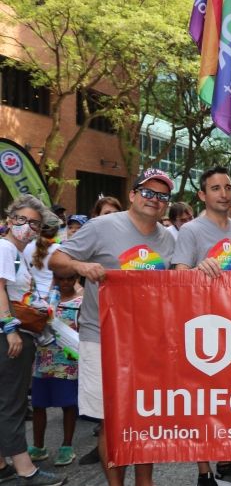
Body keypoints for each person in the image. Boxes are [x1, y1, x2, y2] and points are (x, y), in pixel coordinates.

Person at [50, 168, 177, 486]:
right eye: (148, 192)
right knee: (112, 420)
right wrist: (81, 265)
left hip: (149, 341)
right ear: (132, 195)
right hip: (102, 336)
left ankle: (144, 482)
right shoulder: (101, 226)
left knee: (145, 418)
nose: (154, 200)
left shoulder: (169, 238)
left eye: (162, 196)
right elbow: (57, 260)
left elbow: (180, 282)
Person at [170, 166, 231, 486]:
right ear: (202, 195)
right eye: (215, 188)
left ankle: (227, 464)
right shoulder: (191, 231)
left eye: (227, 187)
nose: (223, 193)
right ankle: (203, 472)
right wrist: (195, 269)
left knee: (227, 400)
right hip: (200, 328)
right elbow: (179, 276)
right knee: (201, 402)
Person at [0, 195, 67, 486]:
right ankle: (26, 470)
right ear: (9, 219)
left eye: (35, 224)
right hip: (11, 337)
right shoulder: (4, 247)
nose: (27, 227)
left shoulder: (14, 252)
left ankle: (2, 466)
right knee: (11, 404)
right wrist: (9, 328)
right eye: (21, 220)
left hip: (17, 334)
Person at [28, 270, 82, 468]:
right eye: (61, 279)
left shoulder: (81, 302)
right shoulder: (45, 300)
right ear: (54, 278)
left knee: (68, 404)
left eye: (70, 279)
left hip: (68, 362)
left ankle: (66, 446)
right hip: (43, 359)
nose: (65, 283)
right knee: (39, 404)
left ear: (76, 279)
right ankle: (38, 446)